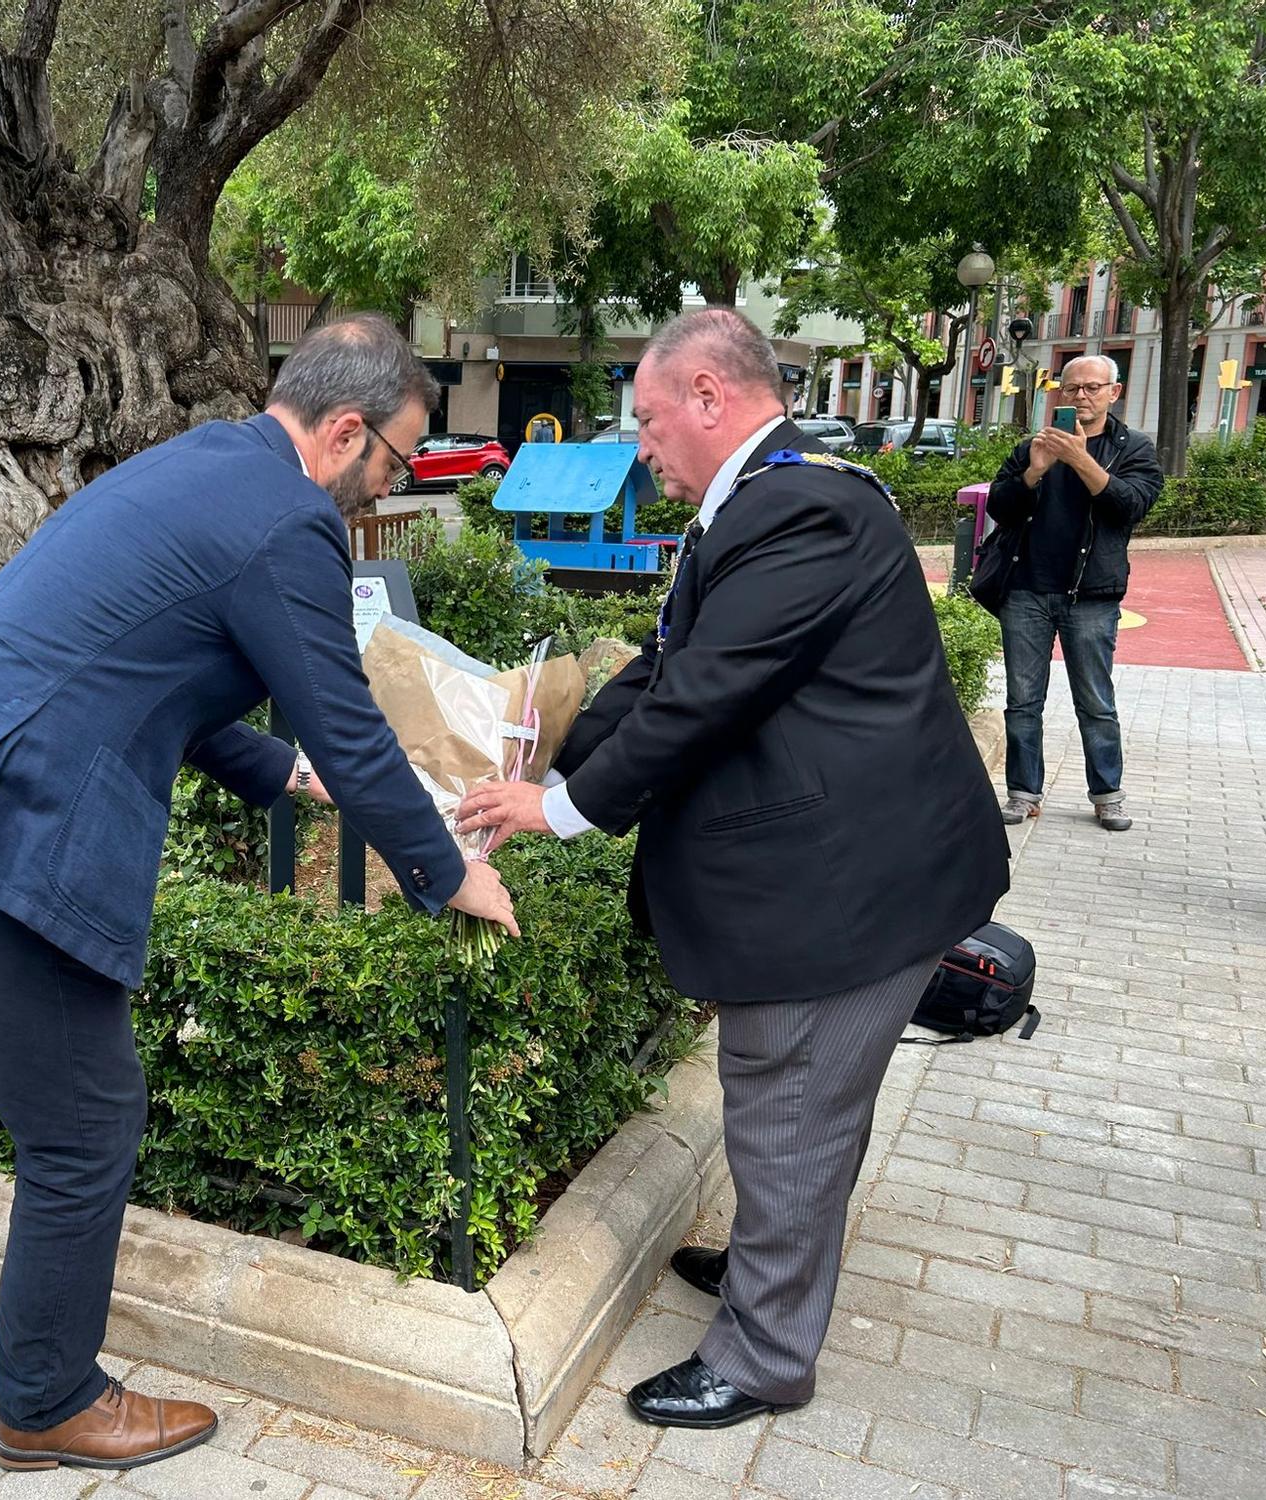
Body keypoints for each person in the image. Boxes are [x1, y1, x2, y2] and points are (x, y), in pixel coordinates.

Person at [0, 314, 517, 1473]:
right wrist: (449, 875)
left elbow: (141, 675)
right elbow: (347, 727)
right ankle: (46, 1399)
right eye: (394, 459)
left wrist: (278, 770)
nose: (388, 483)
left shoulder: (199, 464)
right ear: (344, 432)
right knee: (85, 1121)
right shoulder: (290, 523)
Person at [457, 308, 1008, 1431]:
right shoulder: (759, 503)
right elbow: (655, 668)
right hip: (855, 867)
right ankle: (775, 1261)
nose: (642, 445)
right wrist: (534, 747)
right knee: (798, 1109)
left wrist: (558, 811)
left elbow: (702, 697)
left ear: (709, 395)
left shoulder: (798, 507)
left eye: (651, 421)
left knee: (789, 1106)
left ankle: (763, 1355)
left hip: (845, 889)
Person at [987, 354, 1164, 832]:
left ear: (1114, 392)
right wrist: (1034, 471)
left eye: (1091, 388)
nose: (1081, 396)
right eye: (1071, 389)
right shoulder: (1032, 447)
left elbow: (1130, 506)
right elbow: (1001, 508)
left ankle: (1107, 795)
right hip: (1027, 590)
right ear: (1059, 394)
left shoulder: (1134, 448)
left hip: (1091, 595)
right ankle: (1023, 793)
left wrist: (1081, 460)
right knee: (1023, 700)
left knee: (1095, 702)